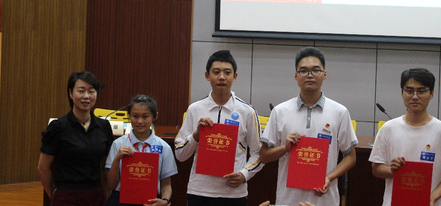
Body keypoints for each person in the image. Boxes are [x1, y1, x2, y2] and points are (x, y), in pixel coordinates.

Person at [260, 47, 357, 206]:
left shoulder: (339, 112)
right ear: (296, 76)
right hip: (288, 199)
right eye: (304, 71)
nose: (310, 75)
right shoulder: (280, 111)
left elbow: (350, 157)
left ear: (324, 74)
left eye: (316, 70)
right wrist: (285, 147)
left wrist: (329, 178)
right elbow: (264, 156)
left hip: (324, 200)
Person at [175, 50, 264, 206]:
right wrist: (196, 135)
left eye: (227, 72)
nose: (222, 77)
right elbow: (180, 155)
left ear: (235, 76)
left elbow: (260, 153)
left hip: (233, 194)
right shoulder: (195, 109)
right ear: (207, 76)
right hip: (199, 191)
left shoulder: (247, 112)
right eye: (216, 72)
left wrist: (244, 174)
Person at [369, 68, 441, 206]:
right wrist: (391, 170)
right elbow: (376, 169)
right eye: (409, 90)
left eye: (421, 91)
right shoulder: (388, 128)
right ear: (402, 92)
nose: (414, 96)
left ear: (431, 94)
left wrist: (432, 197)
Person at [38, 71, 114, 206]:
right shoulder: (58, 127)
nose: (86, 96)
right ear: (71, 93)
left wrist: (107, 193)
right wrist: (54, 196)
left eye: (91, 91)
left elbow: (105, 166)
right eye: (81, 91)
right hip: (66, 196)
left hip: (95, 195)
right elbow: (43, 168)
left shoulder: (104, 126)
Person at [105, 94, 178, 206]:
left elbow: (166, 184)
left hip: (150, 200)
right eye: (135, 116)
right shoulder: (118, 144)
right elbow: (111, 185)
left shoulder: (164, 147)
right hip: (120, 199)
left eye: (145, 116)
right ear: (129, 116)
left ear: (155, 116)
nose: (140, 121)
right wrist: (117, 159)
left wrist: (165, 200)